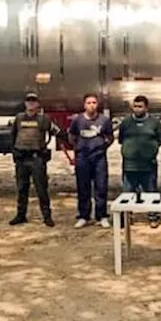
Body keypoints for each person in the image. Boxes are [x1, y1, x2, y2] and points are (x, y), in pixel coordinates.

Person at [8, 92, 57, 227]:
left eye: (33, 101)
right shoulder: (19, 118)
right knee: (22, 188)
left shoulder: (43, 119)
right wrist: (14, 152)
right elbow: (12, 136)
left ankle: (47, 216)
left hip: (37, 159)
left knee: (41, 189)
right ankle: (21, 215)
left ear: (38, 104)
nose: (31, 104)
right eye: (29, 101)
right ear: (25, 103)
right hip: (22, 159)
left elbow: (56, 131)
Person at [117, 94, 161, 227]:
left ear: (146, 107)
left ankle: (153, 217)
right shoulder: (126, 122)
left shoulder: (154, 123)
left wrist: (150, 151)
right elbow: (121, 140)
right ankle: (126, 218)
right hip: (129, 165)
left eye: (140, 106)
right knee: (127, 193)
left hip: (148, 166)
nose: (137, 109)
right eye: (135, 106)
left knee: (151, 192)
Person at [68, 93, 114, 229]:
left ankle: (101, 216)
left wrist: (102, 147)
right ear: (84, 105)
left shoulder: (104, 120)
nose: (91, 105)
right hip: (82, 158)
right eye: (89, 103)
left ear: (97, 104)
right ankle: (83, 216)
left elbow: (110, 137)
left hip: (99, 158)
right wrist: (78, 148)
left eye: (94, 102)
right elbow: (71, 135)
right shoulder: (78, 120)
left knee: (101, 187)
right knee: (83, 187)